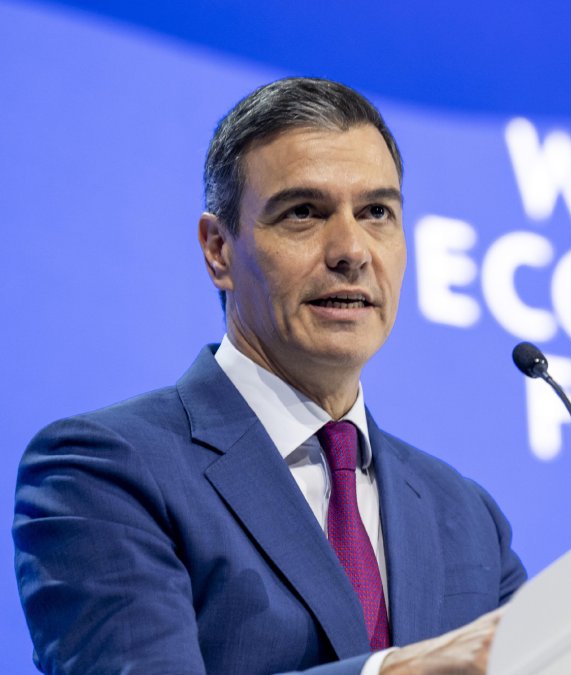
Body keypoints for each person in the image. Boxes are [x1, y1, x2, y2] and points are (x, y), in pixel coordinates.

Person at [13, 77, 526, 675]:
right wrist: (397, 672)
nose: (352, 250)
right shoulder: (102, 470)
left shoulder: (464, 515)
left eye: (376, 212)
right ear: (218, 251)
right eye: (304, 213)